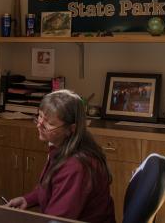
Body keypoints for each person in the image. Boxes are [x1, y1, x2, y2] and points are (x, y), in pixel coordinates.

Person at [6, 89, 115, 223]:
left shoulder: (76, 166)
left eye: (50, 123)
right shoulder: (66, 145)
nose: (40, 125)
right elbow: (52, 186)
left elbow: (57, 220)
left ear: (71, 129)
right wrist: (28, 199)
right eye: (40, 116)